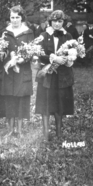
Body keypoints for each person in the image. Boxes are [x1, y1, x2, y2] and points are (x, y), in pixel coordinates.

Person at [35, 10, 75, 141]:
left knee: (60, 103)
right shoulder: (43, 35)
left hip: (62, 75)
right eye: (54, 21)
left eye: (60, 21)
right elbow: (39, 53)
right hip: (47, 75)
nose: (57, 24)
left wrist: (69, 59)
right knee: (46, 103)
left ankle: (59, 133)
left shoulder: (68, 35)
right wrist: (52, 58)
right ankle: (46, 133)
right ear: (50, 22)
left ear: (63, 22)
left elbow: (72, 52)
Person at [0, 6, 34, 136]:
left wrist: (20, 60)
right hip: (8, 72)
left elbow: (31, 51)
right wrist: (1, 54)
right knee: (9, 99)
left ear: (22, 18)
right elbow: (1, 50)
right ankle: (10, 129)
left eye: (17, 17)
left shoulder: (28, 33)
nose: (15, 20)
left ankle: (19, 130)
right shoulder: (5, 33)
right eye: (12, 17)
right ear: (10, 18)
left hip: (22, 71)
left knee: (21, 100)